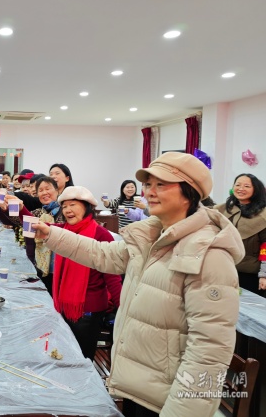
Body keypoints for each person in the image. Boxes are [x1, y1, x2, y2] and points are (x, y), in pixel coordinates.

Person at [33, 152, 243, 416]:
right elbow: (101, 254)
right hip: (137, 386)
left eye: (161, 185)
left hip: (168, 399)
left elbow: (209, 352)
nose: (149, 192)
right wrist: (51, 233)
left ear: (189, 193)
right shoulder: (151, 237)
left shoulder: (209, 253)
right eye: (148, 184)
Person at [46, 186, 121, 359]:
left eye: (73, 205)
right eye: (64, 206)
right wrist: (17, 209)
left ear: (87, 207)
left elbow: (113, 277)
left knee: (81, 359)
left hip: (88, 312)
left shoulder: (101, 235)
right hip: (64, 306)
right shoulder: (63, 231)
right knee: (64, 355)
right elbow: (38, 227)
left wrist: (123, 310)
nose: (67, 210)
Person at [215, 173, 266, 294]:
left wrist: (264, 275)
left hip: (250, 274)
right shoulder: (223, 209)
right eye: (237, 185)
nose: (241, 188)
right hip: (224, 269)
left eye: (247, 186)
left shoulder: (263, 214)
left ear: (256, 190)